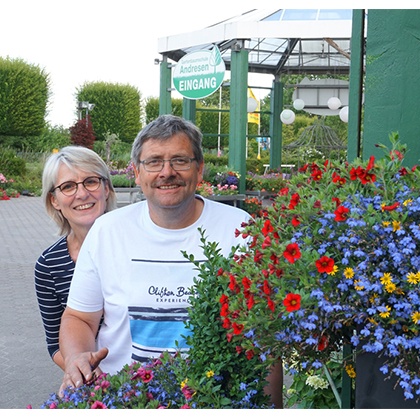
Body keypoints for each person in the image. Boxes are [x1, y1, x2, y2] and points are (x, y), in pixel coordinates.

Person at [58, 115, 283, 406]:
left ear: (200, 169)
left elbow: (263, 336)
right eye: (153, 162)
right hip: (126, 398)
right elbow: (79, 318)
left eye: (180, 160)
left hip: (219, 400)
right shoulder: (108, 231)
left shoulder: (238, 229)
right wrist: (77, 355)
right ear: (137, 173)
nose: (167, 172)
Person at [35, 145, 117, 371]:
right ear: (54, 200)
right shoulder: (49, 265)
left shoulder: (134, 245)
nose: (82, 194)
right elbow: (54, 345)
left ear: (106, 189)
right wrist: (84, 371)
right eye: (68, 186)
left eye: (91, 181)